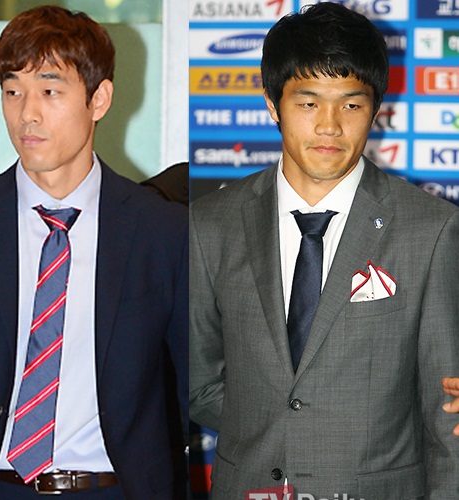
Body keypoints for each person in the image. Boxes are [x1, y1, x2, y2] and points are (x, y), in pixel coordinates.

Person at [189, 3, 459, 498]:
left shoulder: (431, 229)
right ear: (273, 105)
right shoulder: (210, 224)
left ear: (376, 109)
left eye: (351, 105)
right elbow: (198, 381)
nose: (330, 126)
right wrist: (278, 424)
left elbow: (448, 413)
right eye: (309, 103)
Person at [0, 6, 188, 499]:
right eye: (13, 91)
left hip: (116, 490)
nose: (27, 113)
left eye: (49, 91)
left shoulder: (162, 232)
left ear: (99, 99)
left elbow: (202, 387)